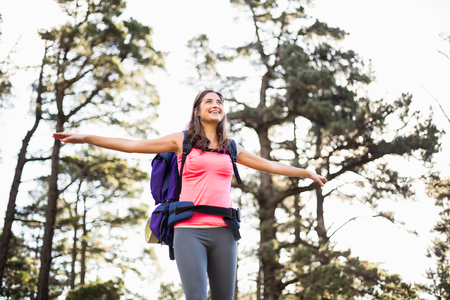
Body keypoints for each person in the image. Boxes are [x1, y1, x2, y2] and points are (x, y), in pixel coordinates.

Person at [53, 89, 327, 300]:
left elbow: (270, 165)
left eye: (219, 102)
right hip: (189, 230)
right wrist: (87, 137)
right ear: (197, 110)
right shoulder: (180, 141)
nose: (215, 105)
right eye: (208, 101)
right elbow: (134, 144)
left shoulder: (231, 147)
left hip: (225, 232)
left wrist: (305, 172)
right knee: (195, 297)